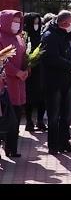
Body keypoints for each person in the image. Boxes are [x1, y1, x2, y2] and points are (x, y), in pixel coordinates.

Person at [41, 10, 71, 155]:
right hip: (53, 82)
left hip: (66, 81)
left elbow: (69, 52)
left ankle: (64, 142)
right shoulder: (49, 36)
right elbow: (52, 59)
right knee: (54, 116)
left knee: (67, 115)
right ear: (64, 23)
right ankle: (53, 146)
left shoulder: (66, 34)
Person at [0, 10, 26, 158]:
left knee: (16, 116)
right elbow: (3, 60)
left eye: (18, 21)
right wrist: (16, 72)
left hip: (19, 83)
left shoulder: (19, 37)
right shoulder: (1, 37)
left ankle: (12, 148)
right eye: (14, 20)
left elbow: (24, 55)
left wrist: (27, 68)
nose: (16, 23)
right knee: (5, 119)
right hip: (5, 84)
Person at [23, 12, 46, 132]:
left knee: (42, 96)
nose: (36, 25)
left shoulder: (42, 35)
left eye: (38, 22)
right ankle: (29, 121)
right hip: (29, 71)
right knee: (29, 97)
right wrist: (28, 64)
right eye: (34, 22)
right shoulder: (23, 36)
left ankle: (40, 120)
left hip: (41, 70)